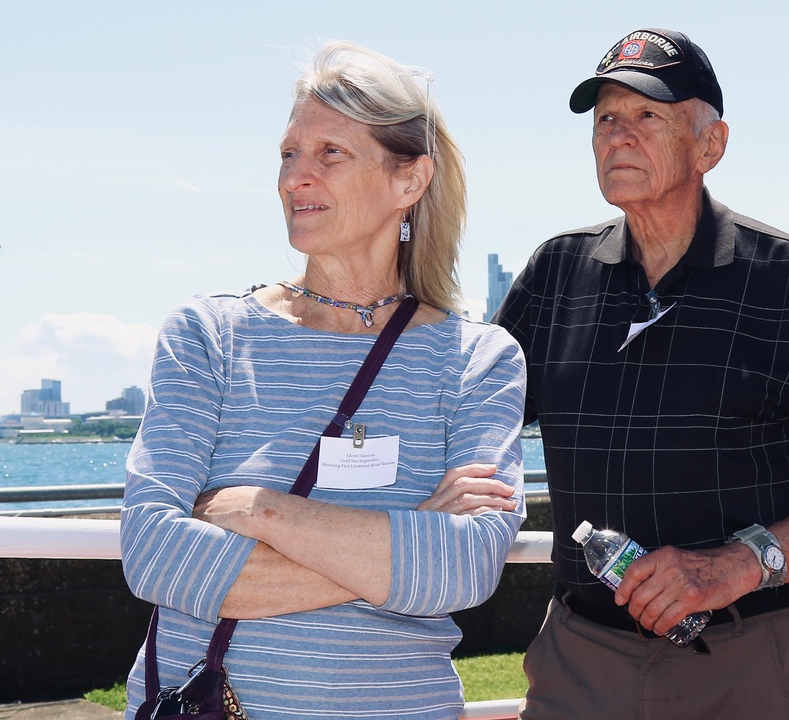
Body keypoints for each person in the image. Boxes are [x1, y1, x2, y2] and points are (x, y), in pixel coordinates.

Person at [495, 28, 789, 719]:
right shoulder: (554, 274)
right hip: (581, 663)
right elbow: (466, 426)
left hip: (753, 661)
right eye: (605, 119)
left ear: (710, 145)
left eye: (647, 117)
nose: (617, 137)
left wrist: (733, 566)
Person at [120, 41, 526, 720]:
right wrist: (406, 541)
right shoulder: (209, 335)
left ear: (409, 181)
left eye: (329, 154)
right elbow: (155, 553)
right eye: (288, 154)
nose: (293, 178)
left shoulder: (477, 358)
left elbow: (464, 567)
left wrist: (256, 509)